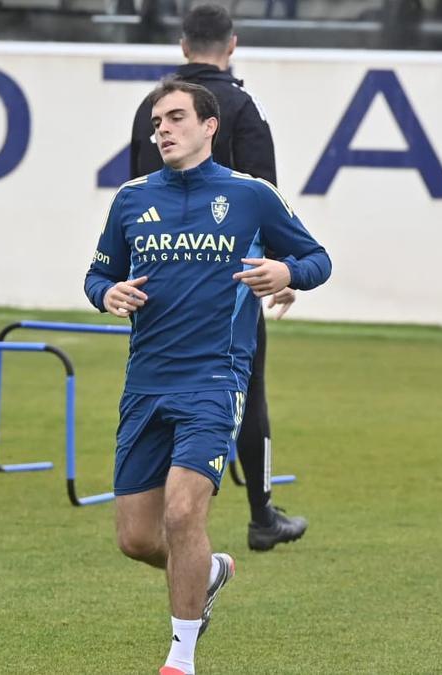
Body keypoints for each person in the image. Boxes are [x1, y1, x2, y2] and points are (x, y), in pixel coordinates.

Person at [86, 79, 330, 674]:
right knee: (137, 540)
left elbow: (317, 259)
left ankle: (182, 657)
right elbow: (98, 275)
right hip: (145, 383)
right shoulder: (131, 199)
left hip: (215, 380)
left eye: (174, 118)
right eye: (156, 123)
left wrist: (286, 273)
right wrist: (107, 294)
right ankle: (210, 571)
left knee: (182, 513)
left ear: (209, 126)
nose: (162, 130)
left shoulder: (251, 195)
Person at [129, 2, 308, 552]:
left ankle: (156, 510)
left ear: (184, 46)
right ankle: (261, 514)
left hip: (157, 285)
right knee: (246, 391)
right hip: (230, 284)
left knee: (158, 390)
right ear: (232, 45)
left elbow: (135, 195)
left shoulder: (151, 108)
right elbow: (264, 194)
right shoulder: (243, 106)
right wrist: (280, 270)